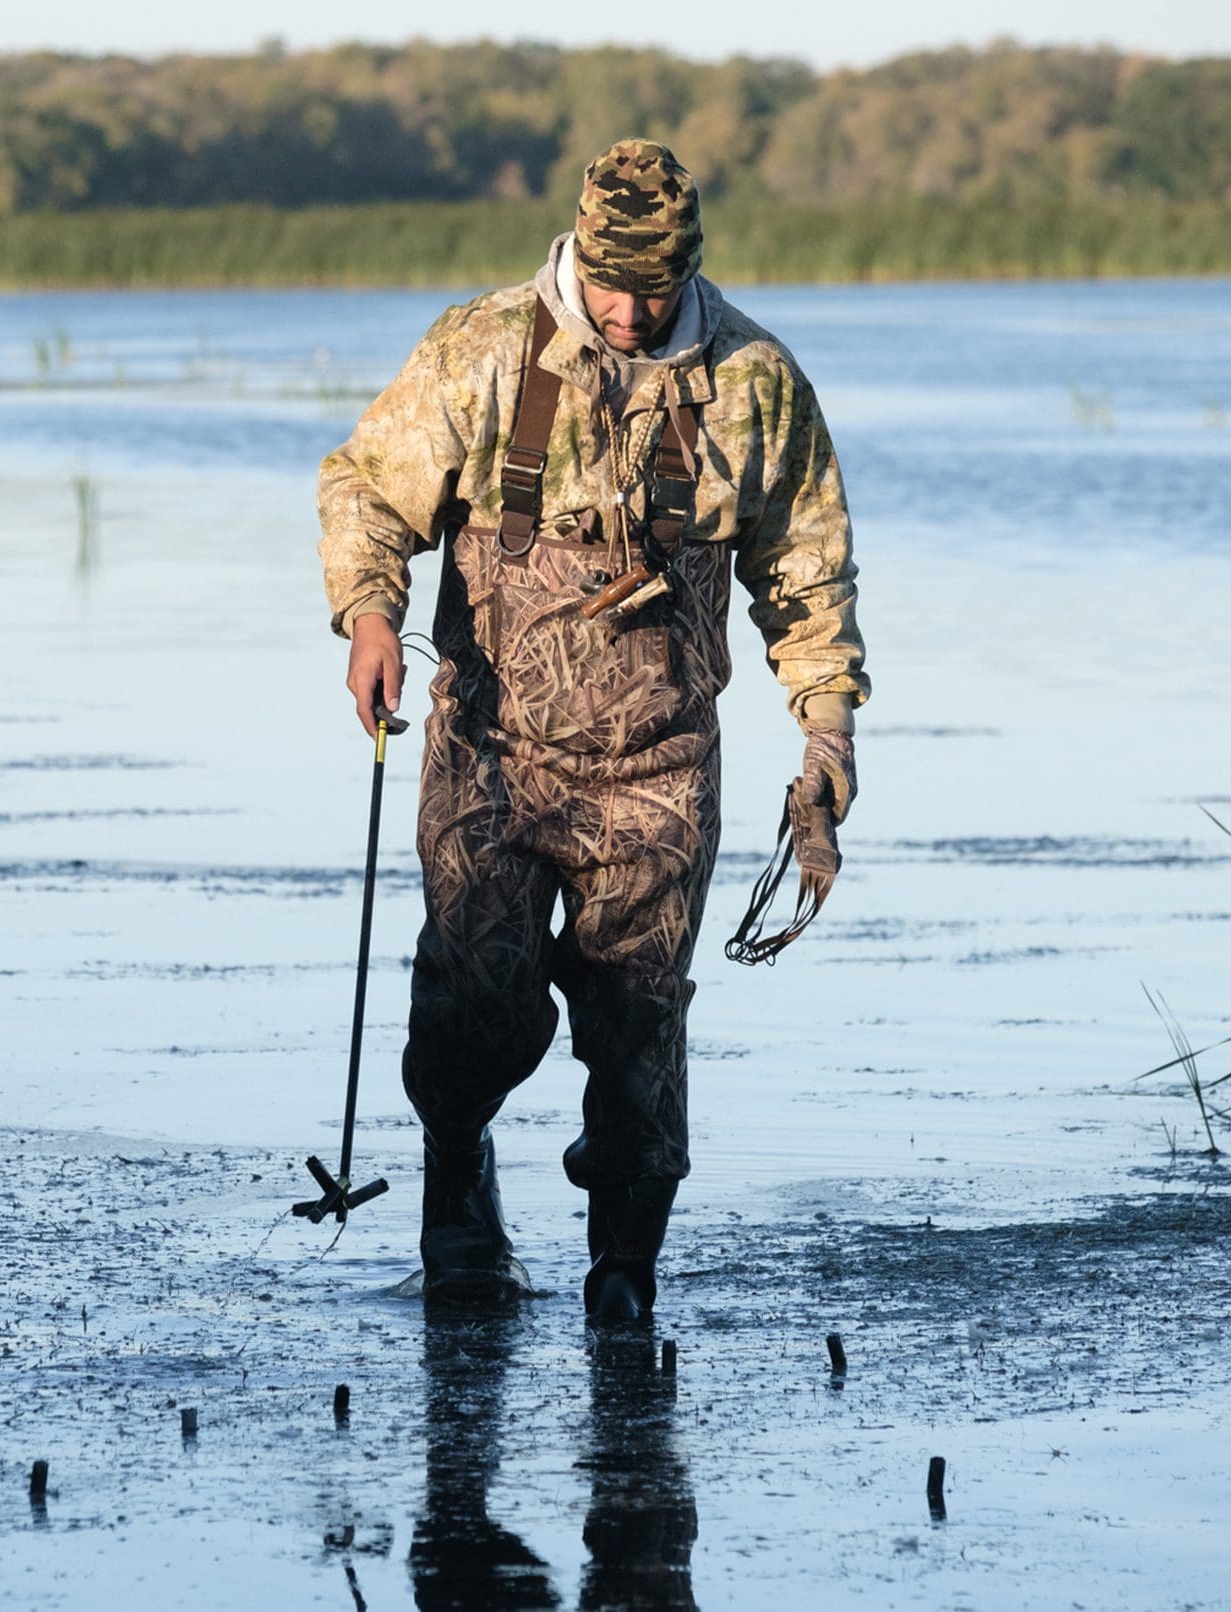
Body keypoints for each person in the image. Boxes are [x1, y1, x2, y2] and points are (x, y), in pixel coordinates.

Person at [316, 139, 868, 1324]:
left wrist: (824, 742)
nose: (625, 312)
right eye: (609, 285)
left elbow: (809, 576)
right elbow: (365, 488)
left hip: (660, 768)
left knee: (637, 1026)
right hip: (488, 752)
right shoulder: (483, 348)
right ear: (576, 250)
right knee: (479, 997)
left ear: (689, 267)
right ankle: (456, 1175)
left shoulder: (754, 383)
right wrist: (369, 616)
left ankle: (623, 1267)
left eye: (651, 291)